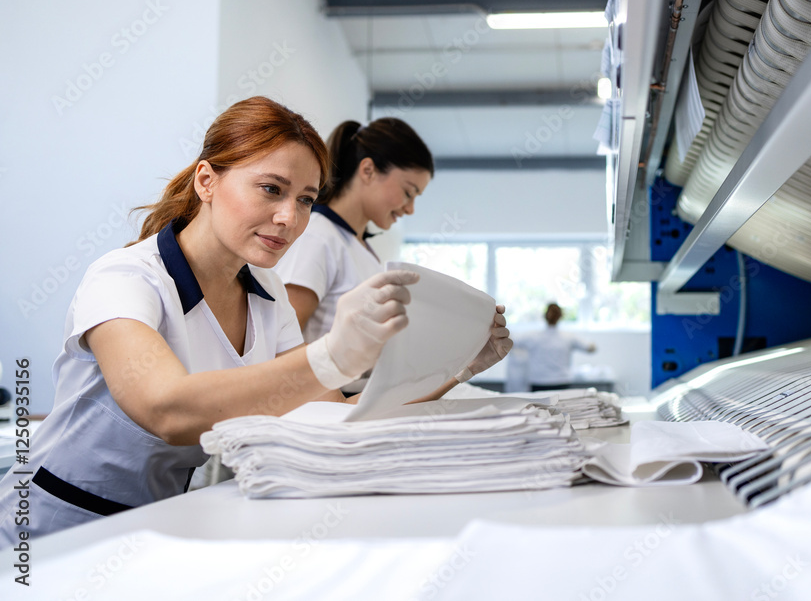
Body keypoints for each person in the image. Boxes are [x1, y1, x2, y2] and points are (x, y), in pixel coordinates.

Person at [0, 97, 511, 546]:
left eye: (306, 200)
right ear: (207, 180)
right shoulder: (125, 277)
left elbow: (336, 413)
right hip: (53, 524)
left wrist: (454, 368)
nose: (290, 218)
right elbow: (163, 409)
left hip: (156, 521)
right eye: (271, 189)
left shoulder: (266, 294)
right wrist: (331, 355)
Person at [276, 117, 504, 397]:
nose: (410, 209)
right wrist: (335, 406)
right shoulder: (318, 237)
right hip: (328, 404)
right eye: (409, 192)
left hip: (358, 399)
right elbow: (282, 343)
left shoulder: (360, 248)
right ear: (368, 170)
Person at [520, 303, 596, 391]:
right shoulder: (568, 337)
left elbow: (512, 341)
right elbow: (590, 348)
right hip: (561, 382)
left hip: (539, 382)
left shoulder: (533, 336)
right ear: (560, 316)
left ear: (545, 316)